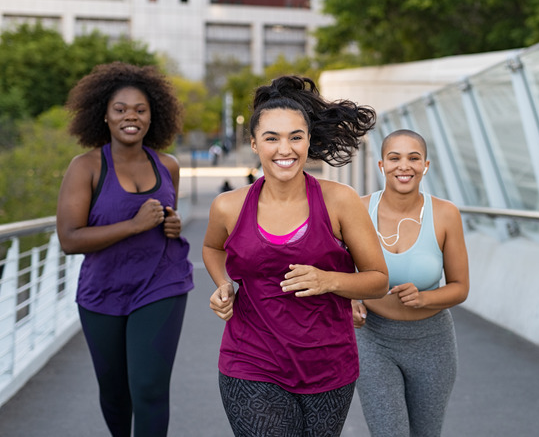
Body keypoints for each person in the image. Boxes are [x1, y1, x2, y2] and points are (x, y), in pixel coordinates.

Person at [203, 75, 389, 436]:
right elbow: (212, 247)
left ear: (308, 141)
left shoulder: (340, 201)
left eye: (295, 137)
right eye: (271, 138)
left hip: (328, 364)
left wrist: (328, 280)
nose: (284, 149)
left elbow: (378, 280)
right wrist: (223, 285)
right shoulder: (228, 206)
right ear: (254, 143)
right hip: (251, 360)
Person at [56, 62, 193, 436]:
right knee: (116, 394)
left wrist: (172, 224)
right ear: (104, 115)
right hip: (103, 291)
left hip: (161, 285)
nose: (130, 116)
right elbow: (69, 239)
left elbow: (166, 217)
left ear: (153, 116)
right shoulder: (85, 167)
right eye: (120, 109)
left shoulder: (168, 165)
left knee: (149, 389)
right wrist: (133, 226)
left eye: (140, 109)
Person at [352, 129, 470, 437]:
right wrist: (350, 300)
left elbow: (460, 287)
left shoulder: (445, 214)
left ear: (425, 166)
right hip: (373, 340)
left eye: (413, 158)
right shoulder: (358, 209)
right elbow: (338, 270)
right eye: (394, 158)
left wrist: (424, 299)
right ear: (381, 166)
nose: (404, 166)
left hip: (433, 343)